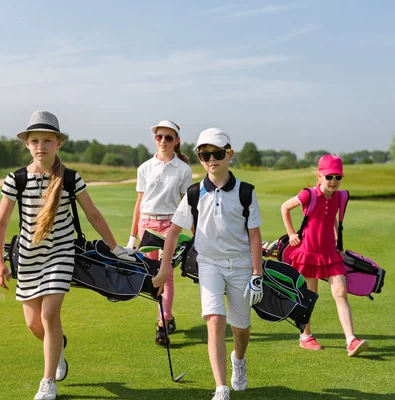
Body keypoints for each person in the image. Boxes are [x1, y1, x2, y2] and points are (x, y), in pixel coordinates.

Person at [0, 110, 136, 400]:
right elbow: (1, 222)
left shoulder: (70, 178)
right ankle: (56, 352)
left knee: (48, 314)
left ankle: (48, 383)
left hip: (60, 255)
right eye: (35, 141)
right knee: (34, 325)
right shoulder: (16, 179)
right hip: (29, 258)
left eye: (47, 140)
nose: (41, 146)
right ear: (27, 145)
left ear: (58, 143)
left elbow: (92, 213)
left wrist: (115, 246)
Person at [153, 128, 264, 400]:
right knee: (215, 321)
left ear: (229, 154)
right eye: (204, 155)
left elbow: (254, 234)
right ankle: (221, 387)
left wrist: (256, 272)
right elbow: (174, 231)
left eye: (216, 153)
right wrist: (164, 267)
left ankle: (238, 360)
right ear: (199, 158)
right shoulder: (194, 193)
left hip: (240, 265)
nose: (211, 159)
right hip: (209, 264)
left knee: (241, 328)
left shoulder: (246, 192)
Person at [280, 154, 369, 356]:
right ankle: (306, 336)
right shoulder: (308, 195)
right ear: (319, 176)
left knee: (340, 292)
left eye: (338, 177)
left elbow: (333, 219)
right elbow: (285, 207)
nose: (334, 181)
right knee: (309, 297)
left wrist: (338, 242)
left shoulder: (340, 197)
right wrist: (292, 233)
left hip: (330, 254)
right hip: (308, 253)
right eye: (329, 177)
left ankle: (351, 340)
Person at [127, 120, 193, 345]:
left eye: (168, 137)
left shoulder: (183, 169)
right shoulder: (145, 167)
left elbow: (187, 204)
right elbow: (139, 203)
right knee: (152, 274)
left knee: (167, 275)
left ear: (176, 141)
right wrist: (132, 236)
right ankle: (167, 316)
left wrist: (195, 233)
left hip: (170, 226)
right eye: (159, 137)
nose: (163, 141)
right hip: (147, 223)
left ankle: (162, 324)